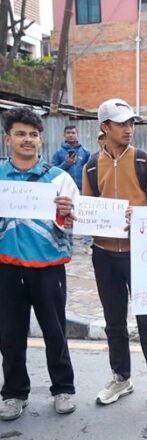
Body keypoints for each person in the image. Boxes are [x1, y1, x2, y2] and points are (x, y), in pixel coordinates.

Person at [81, 98, 147, 410]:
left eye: (130, 123)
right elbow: (89, 210)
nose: (128, 129)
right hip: (102, 253)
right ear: (105, 127)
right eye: (121, 124)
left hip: (140, 254)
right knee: (114, 321)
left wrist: (136, 216)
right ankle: (121, 377)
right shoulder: (90, 165)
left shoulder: (145, 161)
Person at [0, 107, 78, 420]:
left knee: (55, 332)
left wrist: (67, 212)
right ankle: (14, 393)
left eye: (33, 134)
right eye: (20, 134)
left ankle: (63, 388)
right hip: (7, 268)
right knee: (9, 334)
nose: (28, 140)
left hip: (49, 268)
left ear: (41, 140)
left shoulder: (59, 178)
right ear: (8, 139)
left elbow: (74, 224)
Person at [51, 125, 90, 191]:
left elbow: (89, 171)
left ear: (77, 135)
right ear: (64, 135)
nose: (71, 135)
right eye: (68, 133)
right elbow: (52, 173)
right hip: (65, 189)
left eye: (73, 133)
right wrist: (66, 164)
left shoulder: (85, 152)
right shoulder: (58, 153)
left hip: (82, 189)